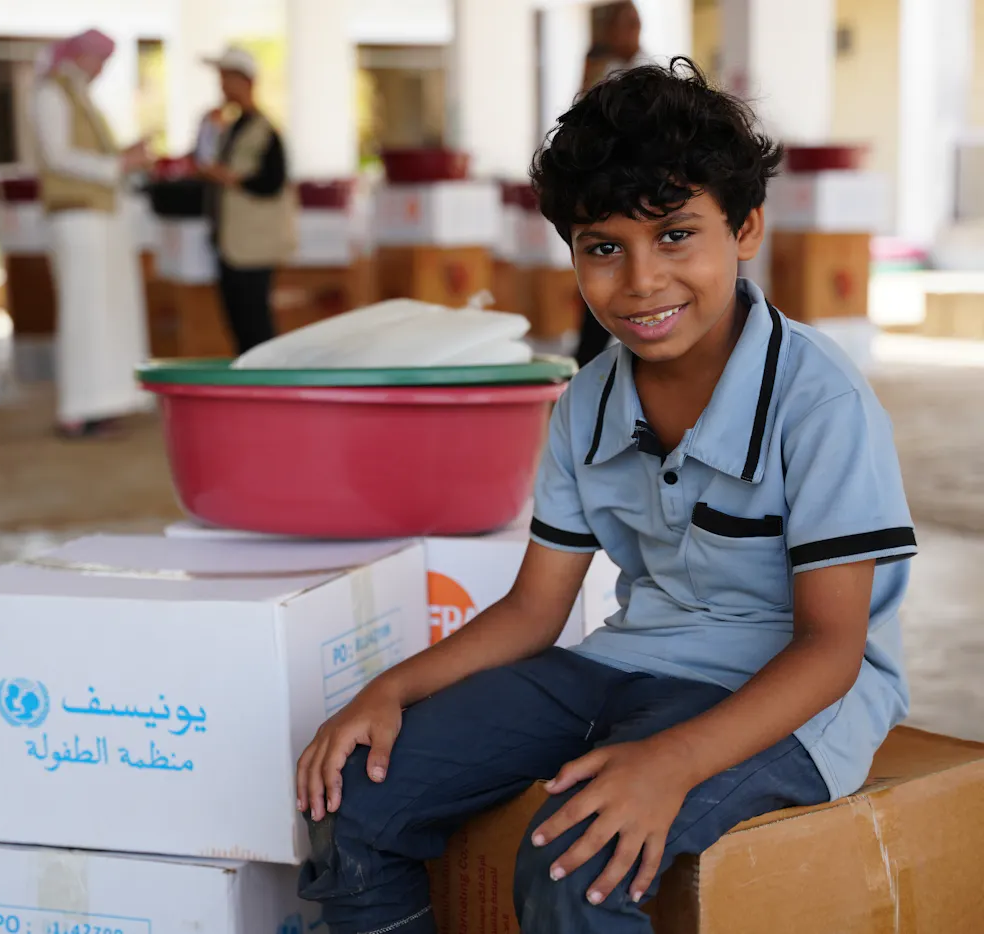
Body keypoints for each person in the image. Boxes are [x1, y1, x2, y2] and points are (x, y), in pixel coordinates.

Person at [295, 59, 916, 934]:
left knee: (577, 858)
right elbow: (534, 609)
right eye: (603, 247)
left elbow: (832, 649)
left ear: (745, 230)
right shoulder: (585, 402)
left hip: (793, 695)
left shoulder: (819, 402)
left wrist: (669, 764)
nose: (640, 282)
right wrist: (388, 691)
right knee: (353, 792)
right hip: (630, 663)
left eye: (674, 236)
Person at [29, 29, 152, 439]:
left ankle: (103, 401)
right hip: (76, 218)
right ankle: (78, 408)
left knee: (104, 314)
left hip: (101, 218)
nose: (101, 70)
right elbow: (58, 156)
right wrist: (118, 165)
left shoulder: (78, 96)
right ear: (80, 57)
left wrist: (123, 160)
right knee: (84, 315)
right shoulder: (51, 94)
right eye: (99, 61)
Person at [196, 45, 296, 355]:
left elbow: (272, 182)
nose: (222, 86)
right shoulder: (229, 128)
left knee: (255, 320)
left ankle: (266, 385)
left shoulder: (266, 132)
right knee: (238, 320)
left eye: (227, 78)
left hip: (253, 243)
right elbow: (201, 159)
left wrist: (228, 177)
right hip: (230, 242)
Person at [574, 0, 657, 370]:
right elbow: (583, 120)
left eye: (637, 23)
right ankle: (586, 366)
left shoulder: (649, 67)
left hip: (645, 188)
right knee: (606, 289)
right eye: (626, 24)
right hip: (608, 190)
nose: (633, 32)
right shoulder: (599, 66)